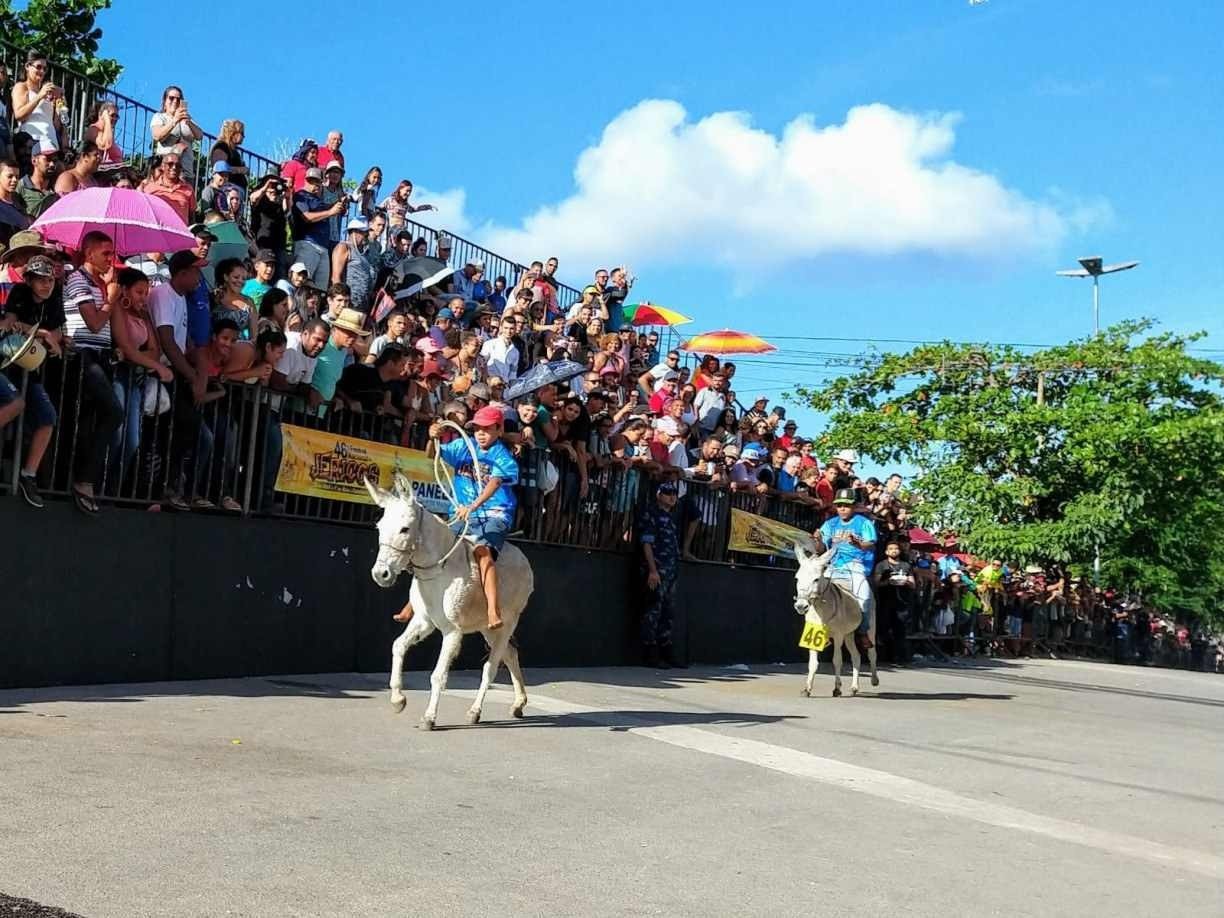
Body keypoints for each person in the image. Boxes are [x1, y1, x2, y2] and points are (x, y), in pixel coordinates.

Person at [427, 405, 519, 630]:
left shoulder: (503, 456)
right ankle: (415, 605)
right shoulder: (462, 446)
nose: (480, 433)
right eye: (477, 428)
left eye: (487, 429)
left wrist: (473, 505)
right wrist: (432, 438)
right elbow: (432, 455)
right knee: (435, 550)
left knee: (483, 552)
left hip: (494, 513)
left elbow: (495, 483)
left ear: (499, 429)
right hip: (461, 512)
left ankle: (492, 609)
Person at [0, 254, 63, 508]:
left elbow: (58, 332)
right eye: (40, 280)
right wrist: (45, 334)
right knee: (15, 405)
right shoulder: (18, 293)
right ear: (28, 280)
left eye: (49, 279)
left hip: (30, 367)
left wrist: (52, 337)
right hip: (7, 363)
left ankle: (28, 476)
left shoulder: (56, 300)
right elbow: (11, 322)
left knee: (48, 417)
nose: (46, 285)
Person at [813, 488, 878, 653]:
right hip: (832, 566)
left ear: (854, 506)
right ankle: (818, 631)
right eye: (839, 505)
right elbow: (820, 548)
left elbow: (870, 543)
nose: (842, 508)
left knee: (864, 596)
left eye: (846, 505)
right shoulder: (830, 523)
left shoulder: (864, 523)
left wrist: (857, 543)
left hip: (855, 565)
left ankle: (862, 632)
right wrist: (817, 540)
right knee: (813, 591)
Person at [639, 480, 685, 668]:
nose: (672, 496)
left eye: (674, 493)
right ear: (659, 495)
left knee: (668, 612)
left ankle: (666, 651)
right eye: (667, 493)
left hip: (671, 570)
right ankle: (650, 652)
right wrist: (652, 570)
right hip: (657, 570)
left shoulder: (671, 517)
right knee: (653, 611)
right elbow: (646, 543)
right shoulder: (651, 514)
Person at [10, 54, 67, 153]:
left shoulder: (46, 92)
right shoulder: (21, 87)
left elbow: (56, 125)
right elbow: (19, 115)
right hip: (32, 142)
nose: (42, 71)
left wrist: (60, 105)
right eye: (38, 67)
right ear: (28, 66)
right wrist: (40, 96)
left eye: (45, 69)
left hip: (51, 141)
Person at [873, 540, 915, 665]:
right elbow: (876, 583)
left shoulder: (906, 566)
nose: (893, 551)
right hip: (885, 601)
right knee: (883, 629)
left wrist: (906, 581)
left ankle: (900, 658)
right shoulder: (881, 565)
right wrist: (888, 582)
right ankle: (882, 656)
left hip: (902, 603)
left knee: (900, 630)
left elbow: (913, 585)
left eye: (896, 548)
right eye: (890, 549)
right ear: (886, 552)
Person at [150, 85, 203, 183]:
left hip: (186, 171)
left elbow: (199, 136)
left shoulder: (187, 119)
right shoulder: (160, 117)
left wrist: (189, 122)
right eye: (171, 98)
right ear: (165, 101)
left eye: (178, 99)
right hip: (167, 170)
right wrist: (174, 120)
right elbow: (157, 135)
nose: (175, 101)